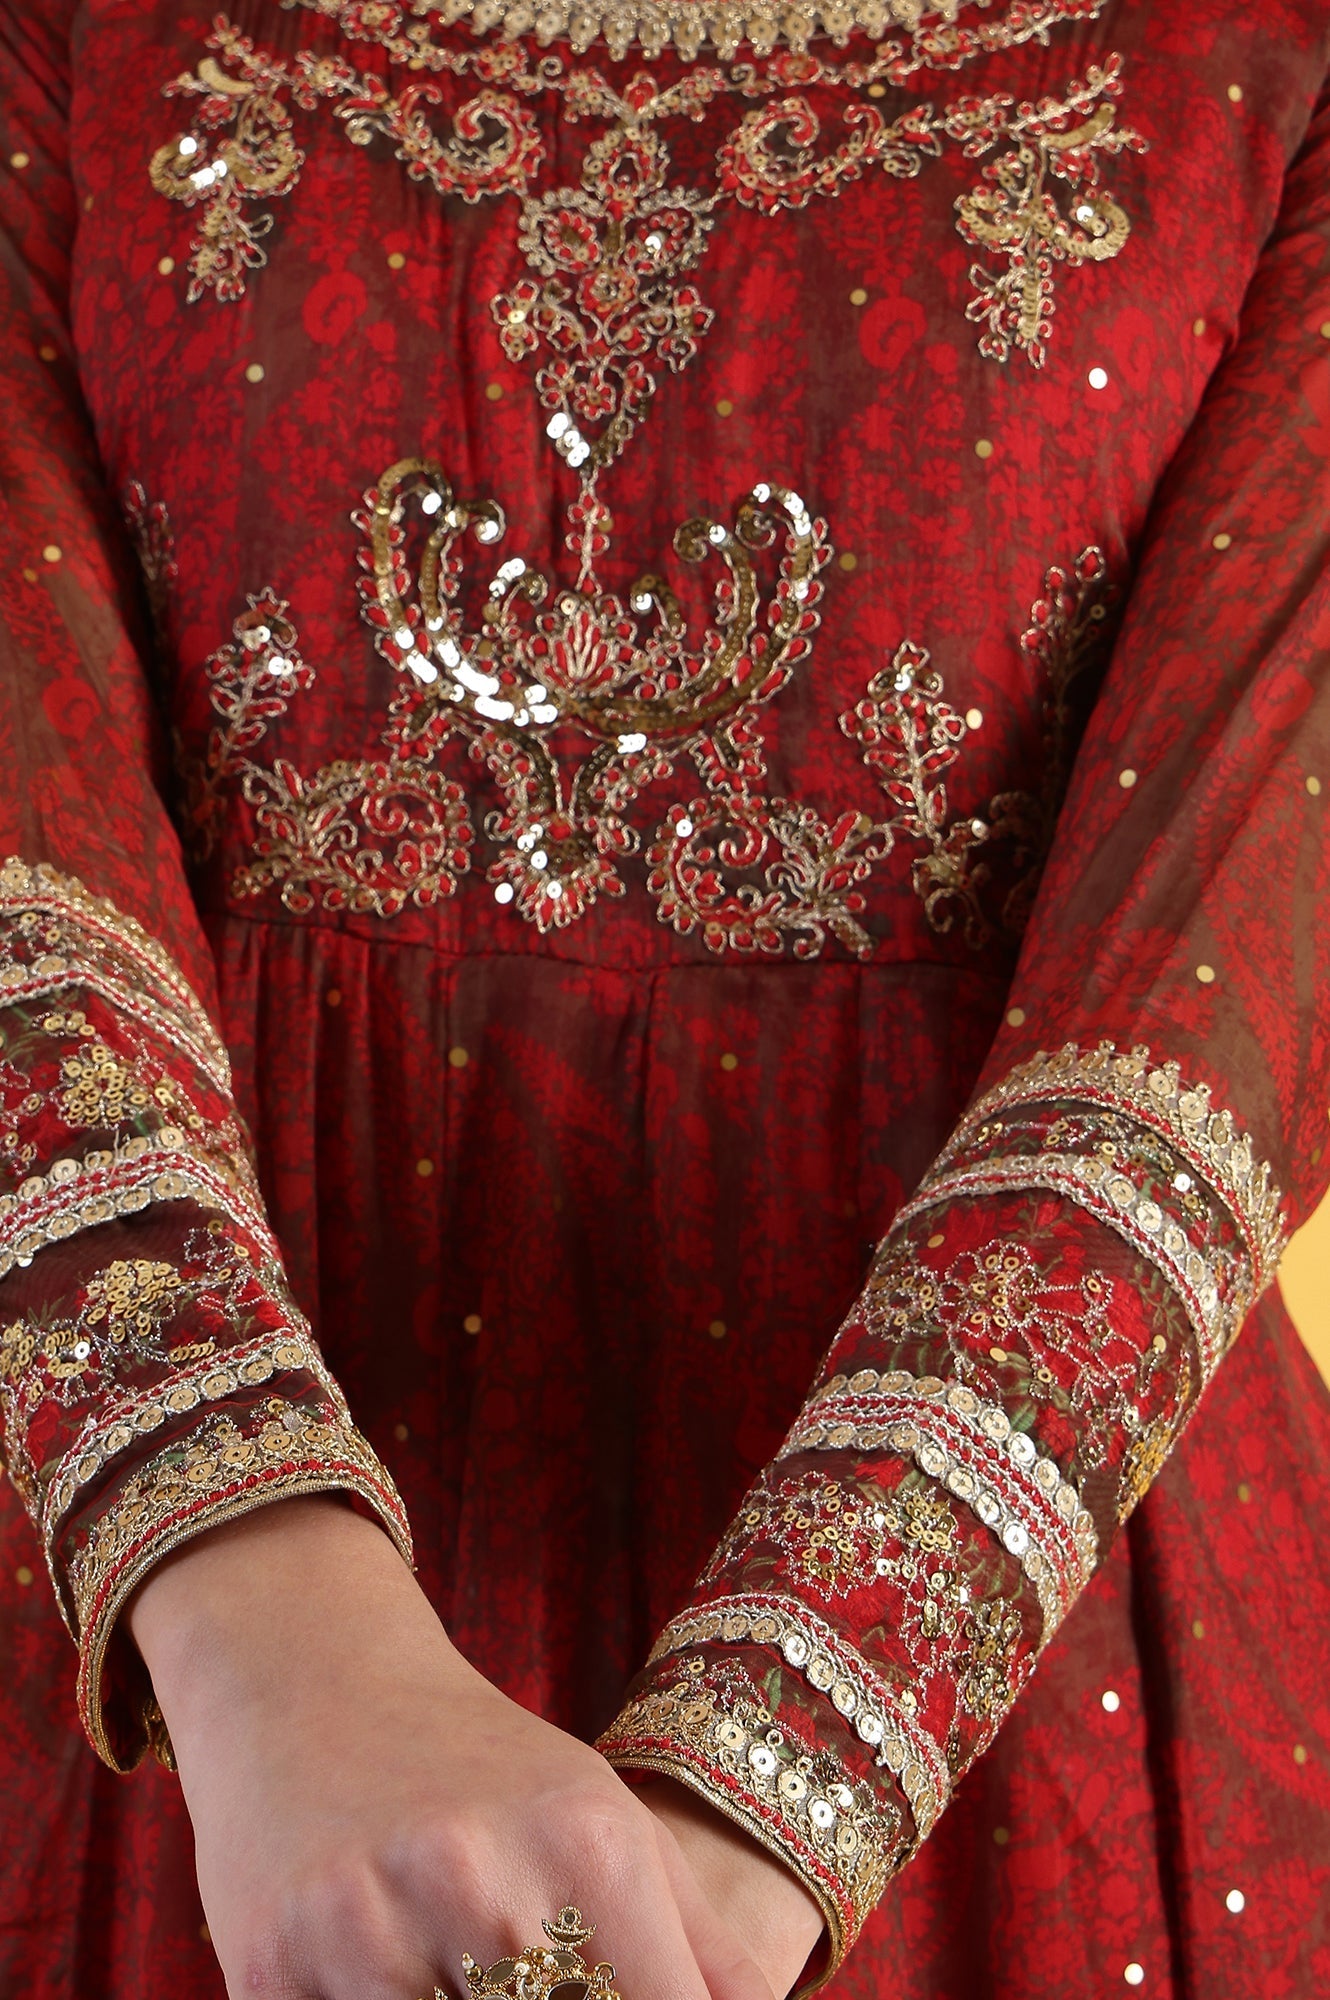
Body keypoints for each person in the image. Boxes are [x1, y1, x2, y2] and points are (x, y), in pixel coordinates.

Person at [1, 1, 1328, 1995]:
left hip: (1010, 1672)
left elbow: (1220, 977)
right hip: (175, 1652)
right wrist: (253, 1596)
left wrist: (754, 1805)